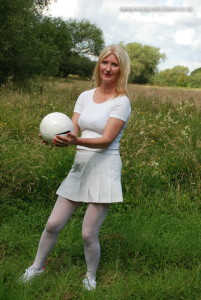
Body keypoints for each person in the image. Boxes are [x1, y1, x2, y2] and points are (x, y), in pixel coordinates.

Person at [19, 44, 131, 291]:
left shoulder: (121, 101)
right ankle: (36, 266)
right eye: (105, 62)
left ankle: (90, 276)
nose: (108, 68)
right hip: (81, 166)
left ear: (121, 69)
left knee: (88, 233)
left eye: (114, 64)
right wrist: (57, 140)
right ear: (98, 64)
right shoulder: (84, 96)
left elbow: (106, 140)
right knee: (52, 224)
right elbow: (73, 132)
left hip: (105, 168)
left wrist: (75, 140)